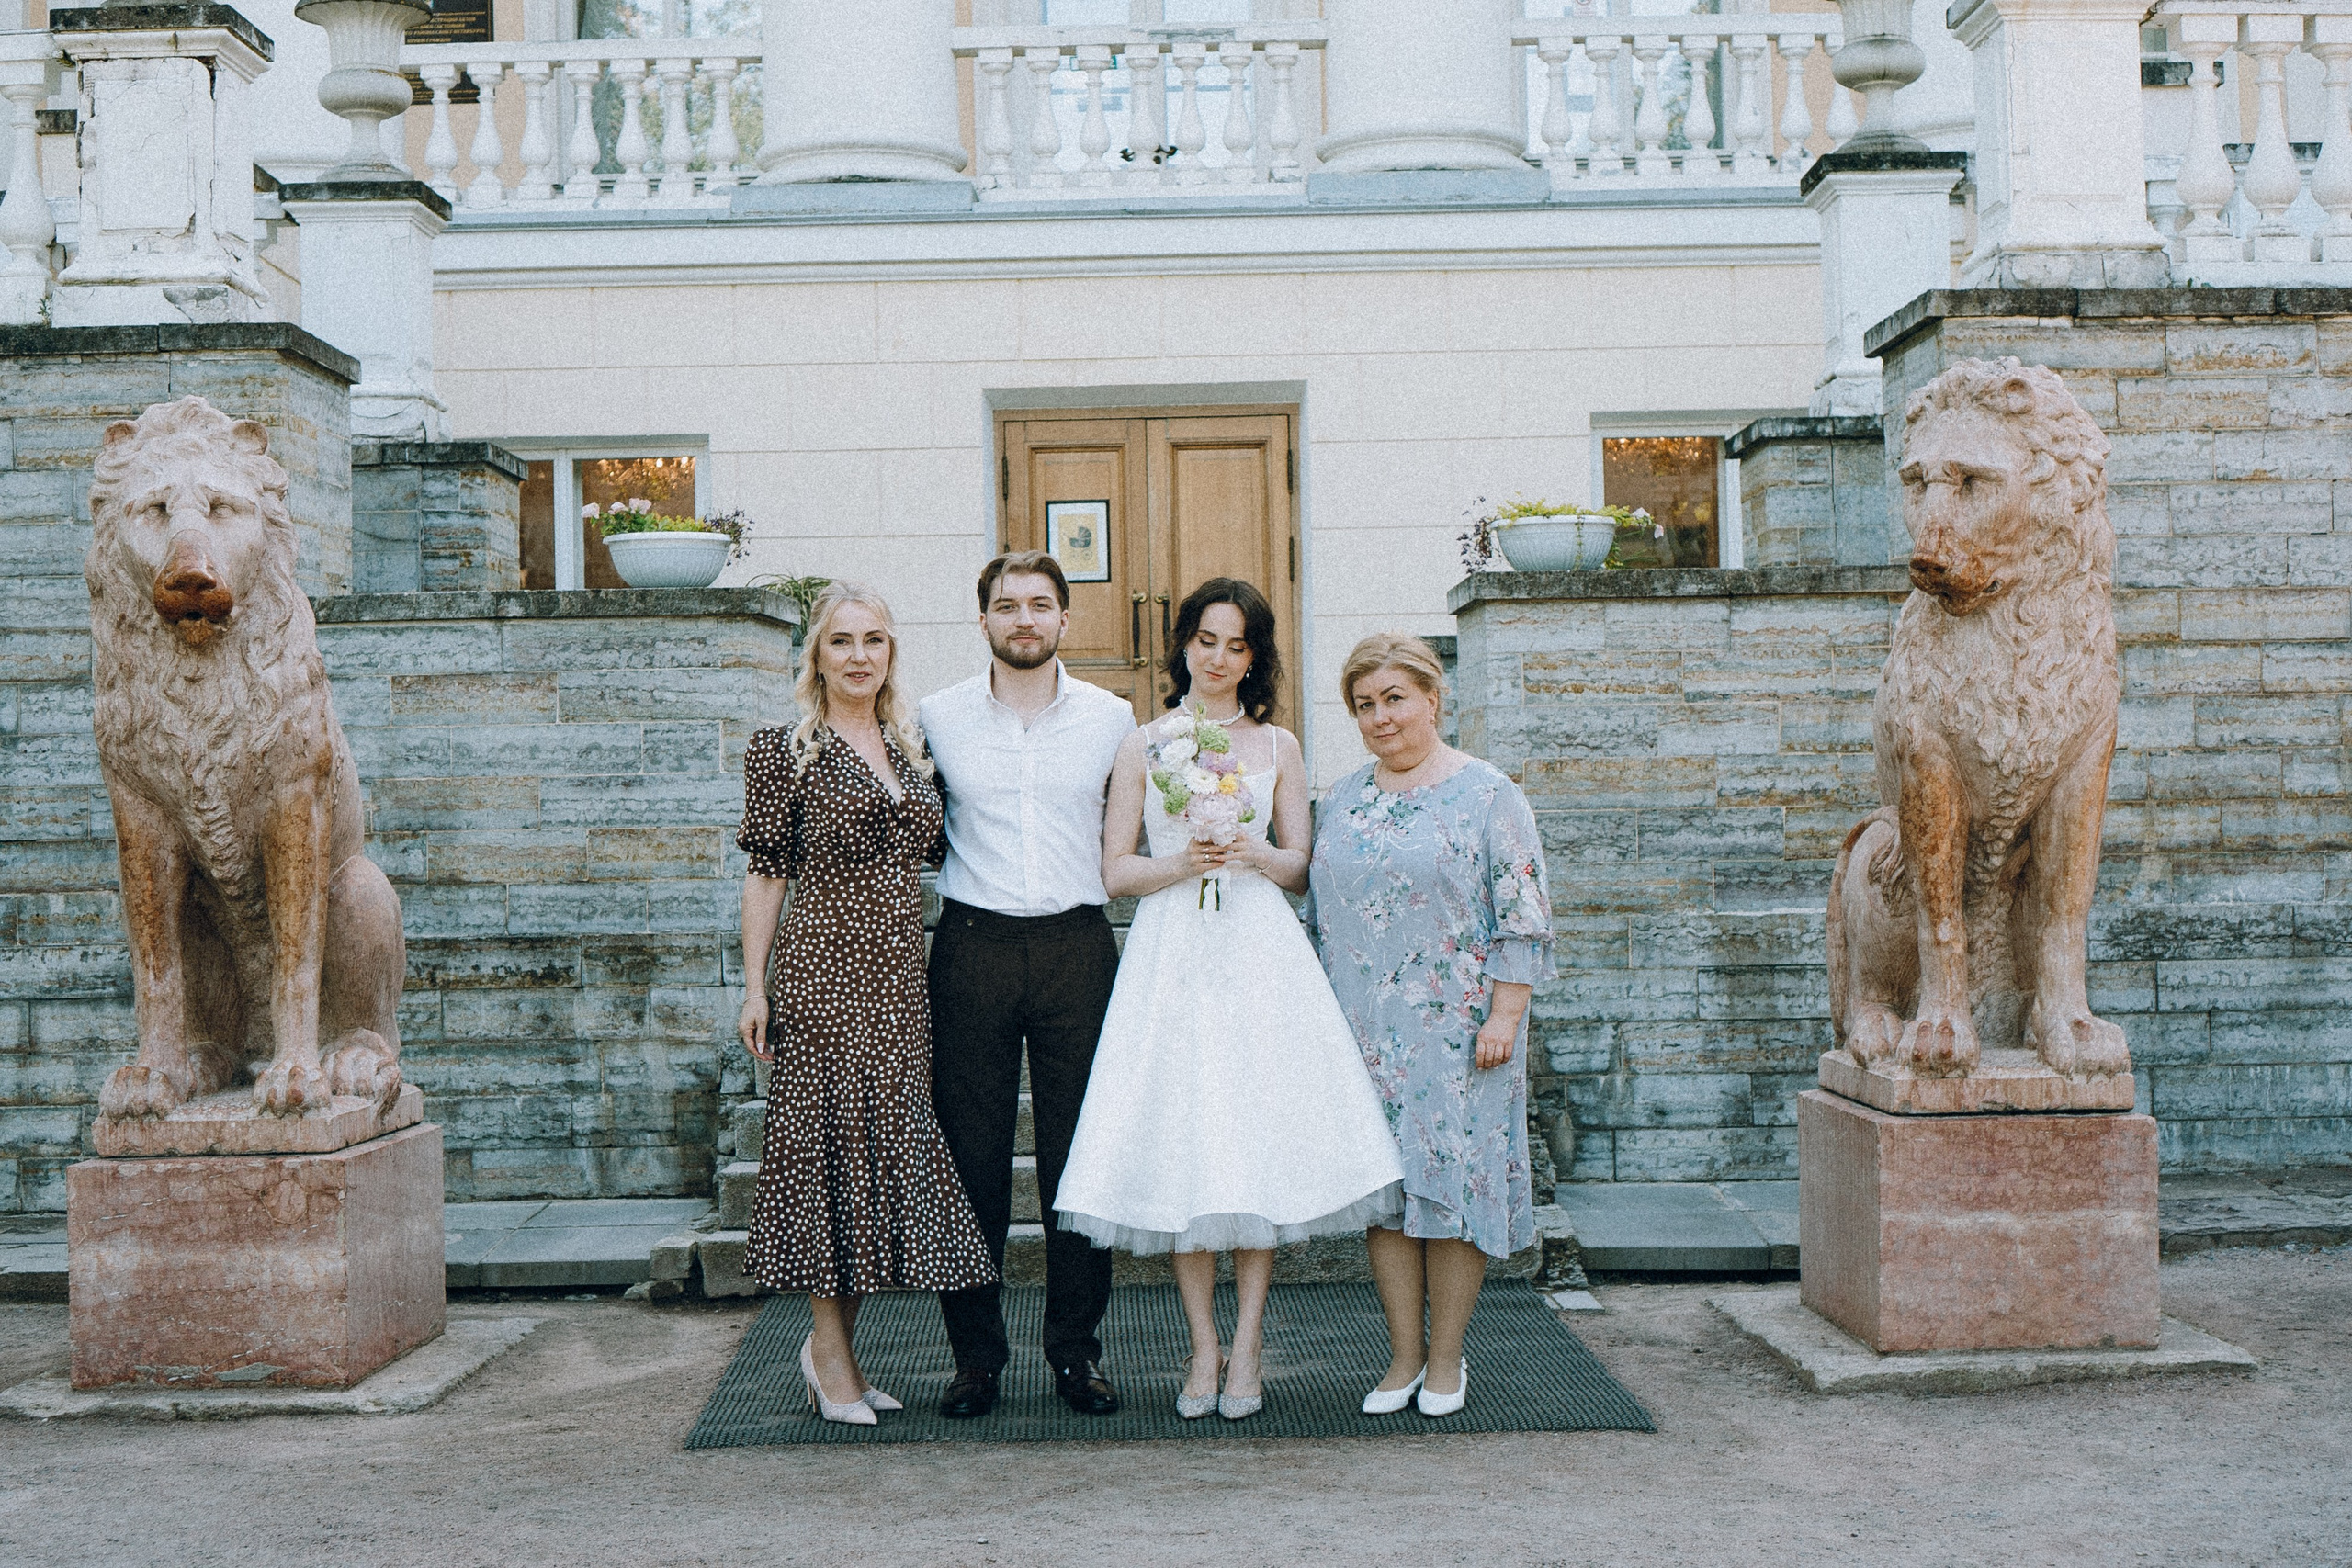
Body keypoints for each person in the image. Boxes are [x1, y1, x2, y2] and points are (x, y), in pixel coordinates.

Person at [1056, 580, 1404, 1422]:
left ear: (1256, 657)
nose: (1218, 658)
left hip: (1257, 953)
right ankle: (1201, 1344)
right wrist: (1184, 862)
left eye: (1237, 644)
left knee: (1251, 1143)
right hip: (1174, 951)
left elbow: (1301, 865)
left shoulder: (1279, 744)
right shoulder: (1145, 744)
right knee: (1187, 1143)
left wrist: (1252, 849)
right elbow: (1114, 872)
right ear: (1184, 646)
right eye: (1206, 640)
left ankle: (1248, 1341)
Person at [734, 583, 996, 1427]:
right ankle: (832, 1359)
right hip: (821, 978)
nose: (858, 655)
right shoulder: (785, 750)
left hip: (899, 982)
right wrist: (754, 982)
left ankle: (829, 1353)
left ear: (892, 652)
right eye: (841, 640)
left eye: (874, 640)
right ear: (816, 654)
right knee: (821, 1163)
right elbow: (767, 871)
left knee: (875, 1163)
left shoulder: (911, 745)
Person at [1308, 633, 1555, 1419]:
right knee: (1389, 1196)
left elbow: (1523, 909)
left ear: (1433, 698)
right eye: (1365, 705)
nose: (1381, 717)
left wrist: (1507, 1011)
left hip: (1461, 1035)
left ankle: (1447, 1359)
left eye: (1394, 699)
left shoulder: (1488, 794)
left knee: (1453, 1192)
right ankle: (1403, 1357)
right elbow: (1320, 916)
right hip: (1365, 1035)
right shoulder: (1341, 798)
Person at [922, 551, 1136, 1420]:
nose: (1023, 619)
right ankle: (975, 1358)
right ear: (982, 621)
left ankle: (1075, 1353)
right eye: (1006, 605)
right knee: (967, 1159)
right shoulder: (934, 716)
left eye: (1040, 605)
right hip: (971, 946)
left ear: (1064, 620)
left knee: (1078, 1161)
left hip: (1076, 948)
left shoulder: (1113, 717)